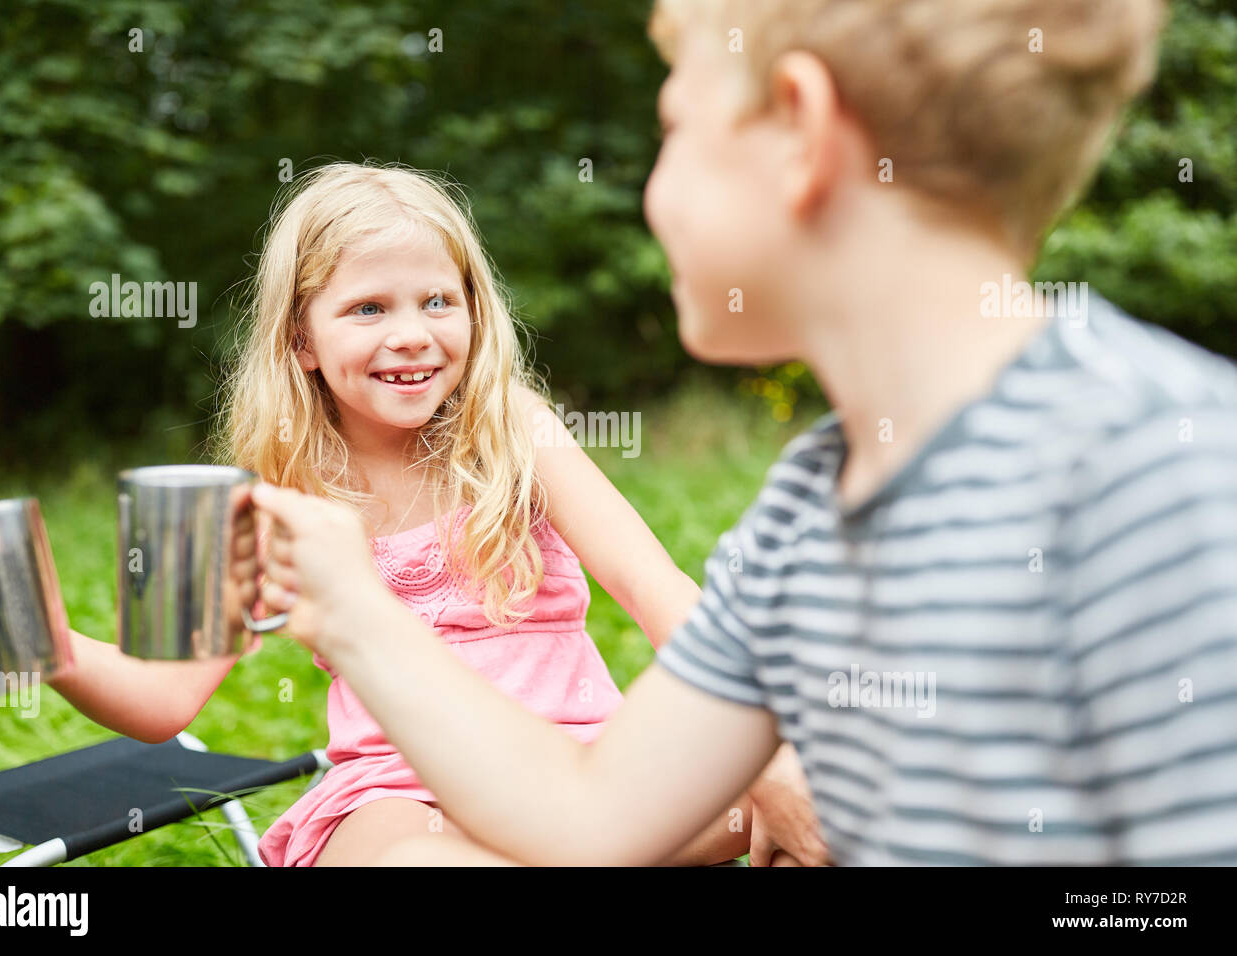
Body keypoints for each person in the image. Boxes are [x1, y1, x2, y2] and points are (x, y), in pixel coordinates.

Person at [239, 0, 1237, 865]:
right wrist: (357, 610)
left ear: (800, 131)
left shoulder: (1162, 468)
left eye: (673, 125)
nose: (647, 189)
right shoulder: (802, 512)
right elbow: (592, 817)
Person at [47, 160, 827, 867]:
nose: (411, 334)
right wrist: (35, 631)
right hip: (401, 798)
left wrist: (767, 758)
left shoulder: (515, 432)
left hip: (586, 773)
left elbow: (655, 589)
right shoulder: (274, 499)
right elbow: (160, 701)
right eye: (367, 309)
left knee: (828, 806)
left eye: (437, 302)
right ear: (301, 339)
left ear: (474, 313)